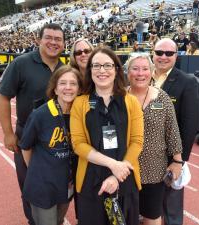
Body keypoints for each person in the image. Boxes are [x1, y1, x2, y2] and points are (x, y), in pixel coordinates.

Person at [0, 23, 65, 225]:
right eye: (49, 38)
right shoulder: (21, 63)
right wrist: (8, 133)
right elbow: (2, 97)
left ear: (63, 43)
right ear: (39, 40)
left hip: (58, 141)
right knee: (30, 186)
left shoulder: (65, 68)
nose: (53, 42)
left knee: (58, 184)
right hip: (29, 138)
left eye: (58, 39)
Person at [70, 47, 144, 225]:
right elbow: (78, 144)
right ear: (90, 70)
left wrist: (117, 174)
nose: (102, 70)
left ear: (117, 69)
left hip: (125, 181)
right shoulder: (80, 103)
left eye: (107, 65)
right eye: (96, 65)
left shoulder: (131, 101)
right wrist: (113, 165)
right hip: (91, 183)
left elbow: (137, 142)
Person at [19, 65, 82, 225]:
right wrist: (37, 172)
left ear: (79, 89)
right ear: (54, 89)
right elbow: (26, 146)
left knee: (59, 221)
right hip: (43, 186)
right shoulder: (40, 114)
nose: (68, 88)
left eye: (73, 83)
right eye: (62, 83)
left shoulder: (79, 114)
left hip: (66, 185)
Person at [126, 53, 183, 225]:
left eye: (145, 69)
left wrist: (177, 161)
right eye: (135, 69)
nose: (140, 73)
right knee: (126, 215)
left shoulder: (162, 97)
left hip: (154, 170)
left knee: (152, 215)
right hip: (126, 168)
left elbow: (172, 130)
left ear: (152, 72)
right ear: (128, 72)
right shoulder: (120, 97)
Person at [152, 38, 199, 225]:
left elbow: (189, 124)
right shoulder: (142, 76)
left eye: (169, 53)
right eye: (159, 52)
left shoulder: (187, 82)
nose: (163, 57)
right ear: (152, 53)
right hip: (144, 154)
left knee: (171, 207)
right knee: (149, 205)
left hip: (170, 155)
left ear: (176, 55)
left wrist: (180, 160)